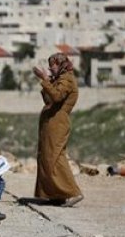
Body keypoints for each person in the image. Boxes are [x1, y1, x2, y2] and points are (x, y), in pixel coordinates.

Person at [32, 52, 83, 207]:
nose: (50, 68)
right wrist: (49, 81)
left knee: (56, 158)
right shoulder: (58, 79)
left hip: (58, 124)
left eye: (52, 65)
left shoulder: (67, 79)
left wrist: (45, 79)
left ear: (60, 64)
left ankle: (73, 192)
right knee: (46, 158)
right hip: (50, 124)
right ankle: (55, 194)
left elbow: (57, 97)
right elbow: (48, 99)